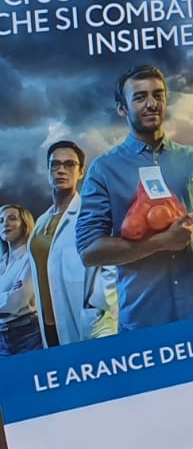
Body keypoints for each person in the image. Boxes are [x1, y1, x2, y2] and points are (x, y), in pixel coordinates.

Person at [77, 65, 193, 330]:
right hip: (142, 322)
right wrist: (160, 243)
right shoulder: (104, 170)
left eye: (158, 95)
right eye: (139, 97)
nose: (151, 104)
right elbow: (89, 251)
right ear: (121, 108)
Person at [30, 140, 116, 345]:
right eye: (55, 164)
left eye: (69, 164)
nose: (61, 170)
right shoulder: (41, 221)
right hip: (49, 324)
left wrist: (97, 306)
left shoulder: (92, 212)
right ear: (48, 170)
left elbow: (113, 263)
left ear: (81, 172)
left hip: (85, 321)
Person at [0, 205, 44, 354]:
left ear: (25, 225)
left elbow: (15, 302)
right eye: (1, 221)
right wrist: (7, 295)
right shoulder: (2, 263)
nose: (5, 224)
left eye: (12, 218)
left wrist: (9, 296)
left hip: (27, 335)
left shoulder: (30, 257)